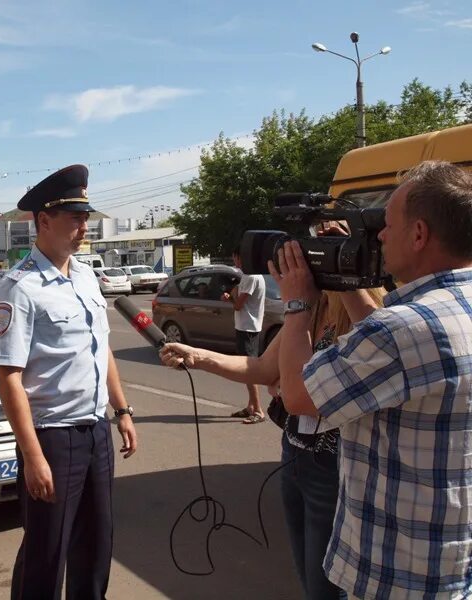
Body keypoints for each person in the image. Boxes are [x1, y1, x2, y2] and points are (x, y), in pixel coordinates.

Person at [275, 161, 472, 599]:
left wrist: (296, 306)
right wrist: (344, 273)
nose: (378, 236)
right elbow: (389, 354)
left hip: (398, 574)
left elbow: (298, 396)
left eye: (386, 224)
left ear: (419, 234)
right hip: (449, 564)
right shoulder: (444, 313)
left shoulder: (405, 329)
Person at [160, 280, 382, 599]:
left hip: (337, 467)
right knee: (310, 579)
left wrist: (343, 283)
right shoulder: (310, 306)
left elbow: (300, 397)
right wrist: (197, 356)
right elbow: (264, 367)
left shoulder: (366, 313)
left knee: (328, 589)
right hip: (295, 455)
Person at [0, 164, 138, 600]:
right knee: (46, 553)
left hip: (96, 432)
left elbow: (102, 349)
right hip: (53, 438)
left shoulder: (87, 277)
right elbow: (9, 379)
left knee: (96, 549)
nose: (83, 227)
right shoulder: (19, 288)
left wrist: (123, 410)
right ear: (43, 221)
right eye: (74, 218)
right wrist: (33, 456)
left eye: (85, 217)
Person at [222, 247, 267, 424]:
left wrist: (229, 299)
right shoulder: (253, 276)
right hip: (249, 326)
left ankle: (258, 410)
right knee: (248, 368)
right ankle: (250, 406)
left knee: (249, 371)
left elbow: (239, 305)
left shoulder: (250, 277)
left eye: (235, 257)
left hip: (247, 328)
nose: (235, 261)